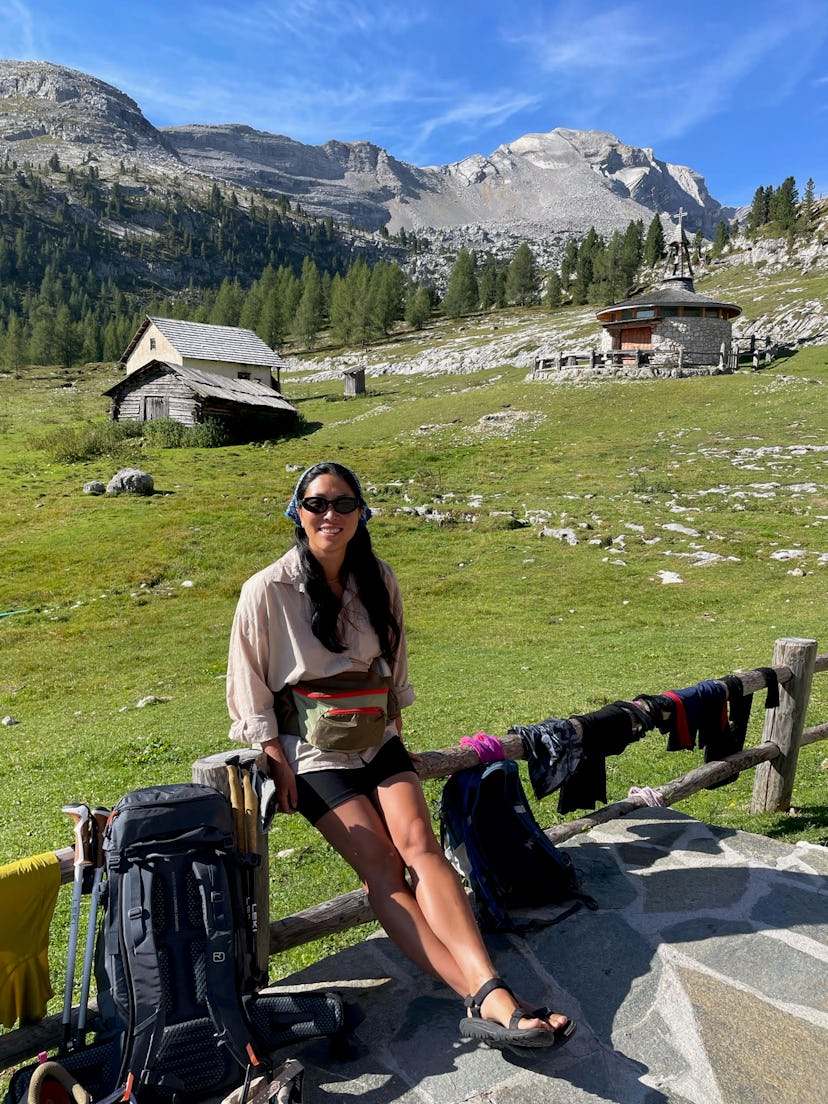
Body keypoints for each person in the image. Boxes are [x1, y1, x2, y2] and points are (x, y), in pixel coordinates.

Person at [227, 461, 576, 1050]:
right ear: (298, 514)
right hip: (311, 753)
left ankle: (486, 992)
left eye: (343, 504)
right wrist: (272, 753)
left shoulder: (378, 578)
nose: (329, 515)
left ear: (361, 513)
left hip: (378, 737)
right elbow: (249, 678)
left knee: (423, 849)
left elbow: (393, 663)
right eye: (316, 504)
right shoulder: (267, 589)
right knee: (383, 870)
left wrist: (397, 729)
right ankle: (490, 997)